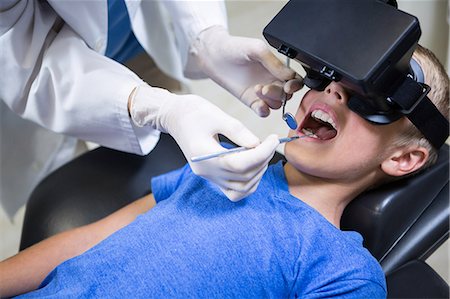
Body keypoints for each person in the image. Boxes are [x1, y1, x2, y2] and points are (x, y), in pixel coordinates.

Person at [1, 45, 448, 298]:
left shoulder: (343, 269)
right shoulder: (218, 166)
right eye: (332, 76)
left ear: (403, 159)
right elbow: (95, 236)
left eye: (374, 99)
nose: (335, 91)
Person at [0, 0, 301, 208]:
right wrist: (154, 107)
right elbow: (30, 61)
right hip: (38, 71)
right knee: (63, 181)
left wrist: (206, 36)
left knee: (174, 148)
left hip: (136, 36)